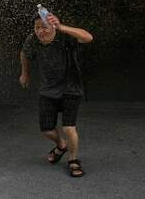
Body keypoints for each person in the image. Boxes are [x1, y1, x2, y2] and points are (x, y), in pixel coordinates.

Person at [19, 13, 93, 178]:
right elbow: (24, 54)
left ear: (53, 26)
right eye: (37, 27)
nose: (40, 31)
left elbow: (88, 37)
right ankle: (61, 145)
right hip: (48, 90)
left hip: (70, 89)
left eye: (43, 27)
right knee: (46, 129)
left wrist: (62, 27)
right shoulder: (33, 40)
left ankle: (73, 160)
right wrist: (25, 73)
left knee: (68, 127)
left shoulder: (65, 37)